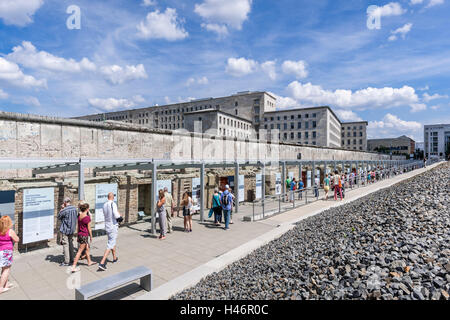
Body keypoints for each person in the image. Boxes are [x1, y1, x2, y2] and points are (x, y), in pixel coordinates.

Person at [98, 192, 122, 271]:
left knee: (112, 241)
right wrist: (120, 217)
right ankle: (102, 263)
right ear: (113, 197)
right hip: (113, 226)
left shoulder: (104, 205)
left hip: (107, 226)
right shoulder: (113, 204)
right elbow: (116, 214)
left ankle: (114, 258)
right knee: (110, 244)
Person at [71, 203, 94, 272]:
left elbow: (78, 227)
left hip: (80, 234)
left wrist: (78, 235)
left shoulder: (80, 216)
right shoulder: (87, 218)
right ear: (87, 209)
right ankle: (73, 266)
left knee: (87, 248)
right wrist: (91, 236)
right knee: (80, 251)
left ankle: (89, 261)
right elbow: (89, 228)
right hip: (84, 235)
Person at [0, 216, 19, 294]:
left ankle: (6, 284)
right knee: (6, 269)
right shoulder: (10, 231)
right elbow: (17, 240)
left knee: (4, 268)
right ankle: (1, 288)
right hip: (7, 252)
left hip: (1, 251)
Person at [57, 197, 78, 266]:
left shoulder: (64, 210)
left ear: (65, 202)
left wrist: (62, 208)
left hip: (65, 229)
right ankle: (72, 259)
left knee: (66, 245)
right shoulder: (75, 208)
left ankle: (66, 261)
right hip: (72, 229)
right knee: (71, 243)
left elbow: (59, 217)